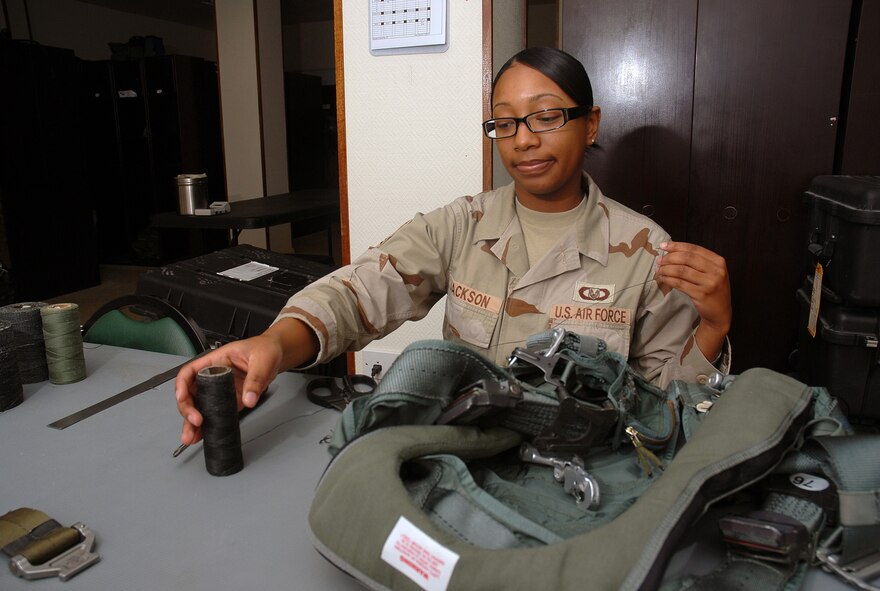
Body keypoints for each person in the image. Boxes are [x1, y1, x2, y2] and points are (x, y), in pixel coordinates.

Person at [176, 47, 731, 446]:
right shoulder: (462, 224)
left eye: (546, 116)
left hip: (577, 467)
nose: (524, 140)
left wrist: (713, 327)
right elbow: (360, 291)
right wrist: (275, 343)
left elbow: (663, 408)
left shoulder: (644, 249)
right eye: (506, 123)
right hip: (459, 453)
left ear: (590, 125)